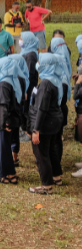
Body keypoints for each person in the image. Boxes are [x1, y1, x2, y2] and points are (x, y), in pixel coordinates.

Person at [27, 53, 64, 194]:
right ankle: (56, 177)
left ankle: (46, 186)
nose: (38, 64)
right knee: (52, 150)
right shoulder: (55, 79)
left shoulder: (46, 84)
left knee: (41, 153)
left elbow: (42, 108)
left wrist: (36, 130)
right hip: (55, 121)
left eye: (40, 62)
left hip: (45, 123)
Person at [0, 57, 21, 184]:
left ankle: (9, 175)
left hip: (6, 120)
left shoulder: (3, 84)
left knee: (3, 148)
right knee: (3, 146)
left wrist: (2, 124)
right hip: (12, 119)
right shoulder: (13, 80)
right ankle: (8, 173)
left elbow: (2, 105)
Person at [50, 34, 72, 179]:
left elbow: (60, 98)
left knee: (56, 139)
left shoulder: (60, 74)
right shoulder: (64, 66)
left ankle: (55, 164)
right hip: (60, 110)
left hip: (56, 111)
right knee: (57, 138)